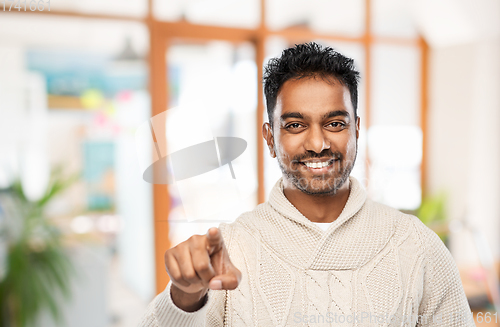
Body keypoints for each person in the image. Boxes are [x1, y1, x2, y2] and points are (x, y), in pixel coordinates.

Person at [139, 42, 475, 326]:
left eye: (334, 123)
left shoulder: (417, 247)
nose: (317, 143)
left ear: (356, 130)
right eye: (296, 125)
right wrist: (183, 297)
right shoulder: (230, 251)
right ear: (269, 139)